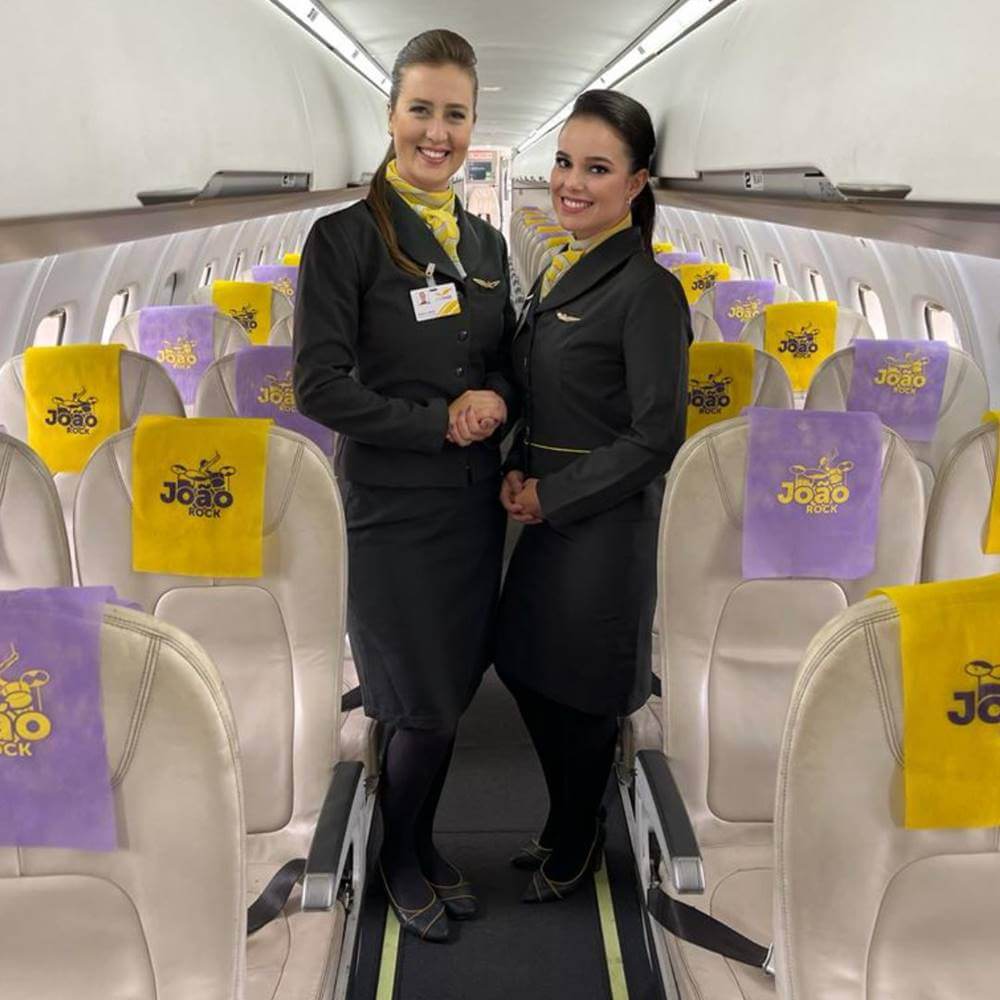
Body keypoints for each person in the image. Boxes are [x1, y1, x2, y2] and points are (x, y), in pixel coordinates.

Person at [293, 29, 516, 942]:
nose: (437, 131)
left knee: (452, 691)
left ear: (473, 126)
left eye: (454, 114)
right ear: (390, 117)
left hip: (470, 511)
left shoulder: (492, 245)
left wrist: (495, 400)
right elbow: (320, 386)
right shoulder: (342, 241)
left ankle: (419, 843)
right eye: (420, 109)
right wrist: (439, 420)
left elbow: (508, 361)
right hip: (388, 511)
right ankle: (395, 853)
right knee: (416, 702)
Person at [496, 90, 690, 902]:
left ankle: (575, 836)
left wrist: (554, 494)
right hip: (550, 511)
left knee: (575, 691)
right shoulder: (567, 266)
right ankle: (571, 812)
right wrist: (514, 458)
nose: (571, 183)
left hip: (601, 523)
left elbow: (656, 436)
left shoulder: (645, 292)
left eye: (598, 169)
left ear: (637, 183)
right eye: (566, 163)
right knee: (523, 665)